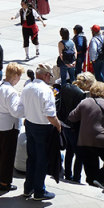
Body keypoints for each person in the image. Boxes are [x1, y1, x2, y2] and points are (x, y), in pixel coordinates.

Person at [68, 81, 104, 188]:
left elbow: (71, 117)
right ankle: (101, 177)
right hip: (102, 140)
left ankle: (93, 183)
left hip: (85, 141)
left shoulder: (84, 102)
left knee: (90, 165)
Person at [20, 63, 61, 200]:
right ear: (46, 75)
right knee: (42, 160)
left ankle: (28, 187)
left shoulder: (28, 87)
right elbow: (50, 115)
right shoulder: (46, 90)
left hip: (30, 125)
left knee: (31, 158)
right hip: (43, 129)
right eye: (49, 75)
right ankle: (39, 191)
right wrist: (58, 125)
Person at [0, 62, 25, 191]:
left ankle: (0, 179)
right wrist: (26, 108)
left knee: (0, 154)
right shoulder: (11, 92)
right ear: (15, 76)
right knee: (7, 156)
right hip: (8, 128)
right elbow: (16, 111)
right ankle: (4, 182)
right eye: (19, 76)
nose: (19, 79)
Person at [58, 71, 94, 184]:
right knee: (79, 154)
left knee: (69, 151)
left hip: (63, 123)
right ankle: (76, 177)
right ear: (86, 83)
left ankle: (68, 174)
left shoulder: (66, 86)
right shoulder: (81, 95)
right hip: (74, 127)